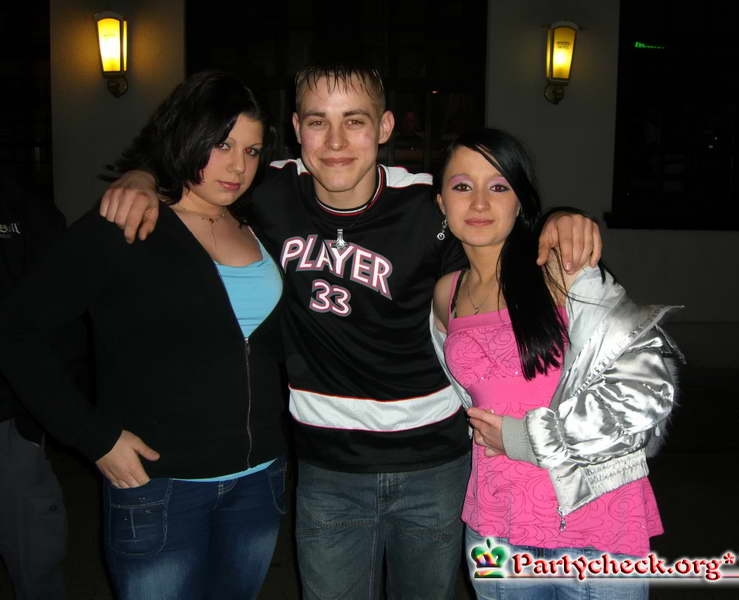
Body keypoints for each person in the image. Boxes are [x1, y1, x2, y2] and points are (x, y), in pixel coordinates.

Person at [98, 63, 602, 600]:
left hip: (434, 464)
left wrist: (561, 218)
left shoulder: (429, 203)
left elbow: (500, 227)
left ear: (385, 127)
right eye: (318, 122)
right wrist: (142, 177)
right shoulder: (267, 189)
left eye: (355, 121)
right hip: (327, 468)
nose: (336, 142)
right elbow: (195, 172)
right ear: (297, 128)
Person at [0, 70, 288, 600]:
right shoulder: (126, 224)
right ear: (186, 135)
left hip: (259, 480)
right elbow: (17, 333)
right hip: (160, 488)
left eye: (251, 151)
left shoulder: (260, 224)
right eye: (221, 144)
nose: (237, 166)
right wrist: (93, 436)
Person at [430, 128, 681, 600]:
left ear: (520, 202)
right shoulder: (447, 294)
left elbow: (647, 389)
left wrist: (524, 439)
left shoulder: (562, 272)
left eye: (498, 186)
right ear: (441, 201)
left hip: (597, 527)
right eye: (462, 186)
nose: (479, 202)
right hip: (496, 525)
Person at [0, 166, 74, 600]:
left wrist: (40, 410)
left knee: (35, 556)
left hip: (9, 415)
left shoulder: (21, 202)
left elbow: (58, 306)